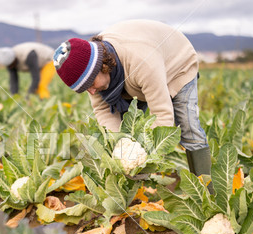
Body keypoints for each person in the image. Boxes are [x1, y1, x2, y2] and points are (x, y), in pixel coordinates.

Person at [53, 19, 213, 187]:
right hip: (134, 75)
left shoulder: (143, 63)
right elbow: (103, 110)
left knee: (188, 128)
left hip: (177, 63)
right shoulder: (93, 79)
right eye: (85, 89)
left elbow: (163, 115)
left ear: (102, 66)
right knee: (128, 131)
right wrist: (121, 144)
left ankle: (206, 192)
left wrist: (145, 155)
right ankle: (136, 191)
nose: (91, 92)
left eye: (91, 85)